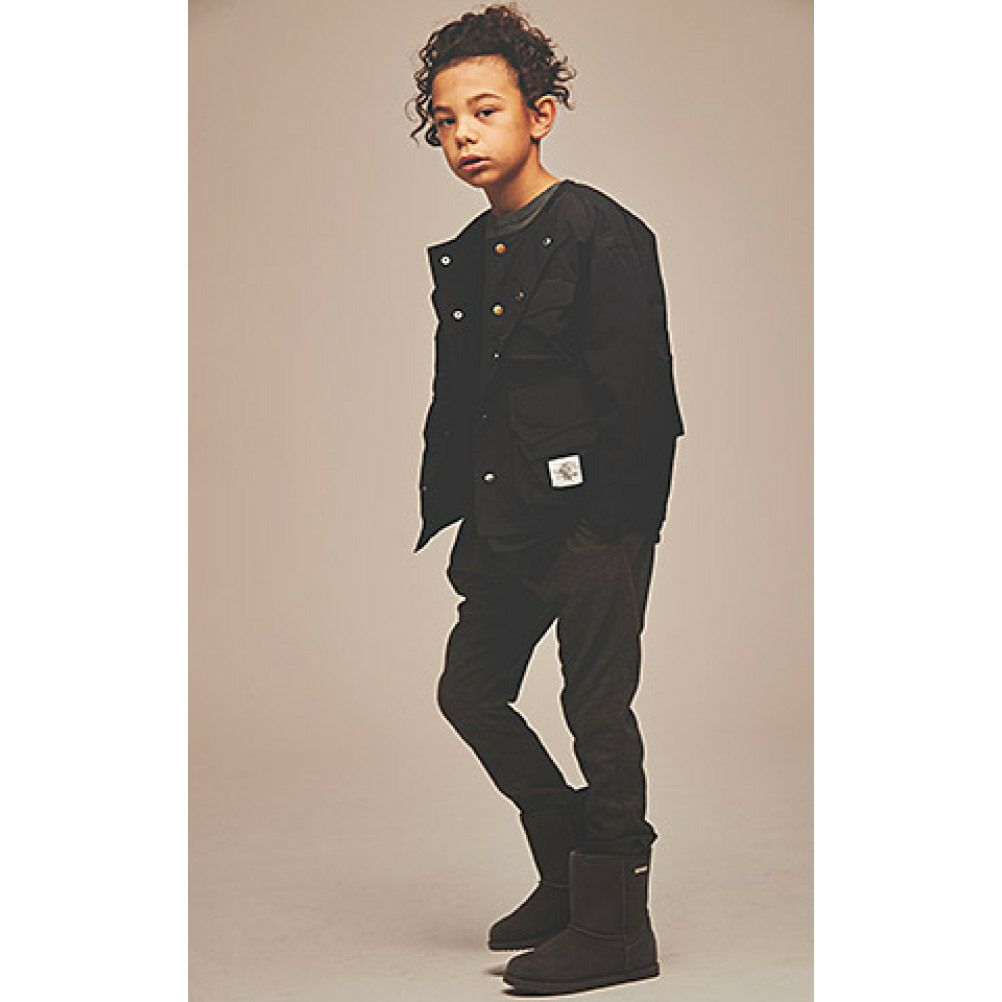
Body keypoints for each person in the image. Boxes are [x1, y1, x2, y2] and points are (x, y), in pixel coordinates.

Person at [406, 4, 685, 994]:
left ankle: (618, 930)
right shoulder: (470, 253)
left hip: (593, 527)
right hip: (507, 522)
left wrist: (614, 534)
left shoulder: (602, 234)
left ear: (541, 114)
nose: (464, 134)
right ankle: (569, 871)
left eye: (485, 111)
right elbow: (472, 402)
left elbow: (645, 404)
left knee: (595, 713)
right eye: (446, 120)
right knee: (470, 691)